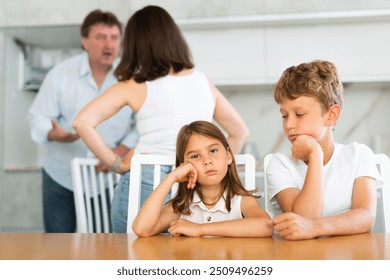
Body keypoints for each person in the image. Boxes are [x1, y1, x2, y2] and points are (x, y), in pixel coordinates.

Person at [73, 5, 249, 233]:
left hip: (144, 183)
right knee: (182, 260)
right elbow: (239, 131)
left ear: (136, 44)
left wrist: (116, 164)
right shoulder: (201, 81)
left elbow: (82, 122)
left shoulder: (136, 84)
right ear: (173, 38)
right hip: (192, 185)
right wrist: (214, 171)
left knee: (131, 257)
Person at [28, 9, 138, 233]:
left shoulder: (131, 76)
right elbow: (38, 117)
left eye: (114, 37)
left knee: (111, 246)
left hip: (110, 178)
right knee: (58, 247)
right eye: (100, 37)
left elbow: (142, 124)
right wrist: (52, 133)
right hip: (61, 176)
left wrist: (123, 148)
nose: (109, 44)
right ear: (85, 41)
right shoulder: (60, 74)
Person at [266, 60, 382, 240]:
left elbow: (366, 218)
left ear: (331, 115)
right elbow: (304, 217)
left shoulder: (359, 155)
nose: (289, 124)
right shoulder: (279, 164)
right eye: (284, 115)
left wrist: (315, 227)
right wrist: (315, 155)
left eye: (299, 114)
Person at [132, 121, 273, 237]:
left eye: (213, 151)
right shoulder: (181, 206)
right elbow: (141, 229)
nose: (207, 161)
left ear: (228, 156)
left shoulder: (242, 200)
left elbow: (265, 226)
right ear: (184, 166)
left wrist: (200, 229)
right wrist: (171, 177)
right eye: (195, 156)